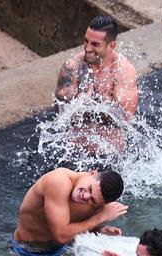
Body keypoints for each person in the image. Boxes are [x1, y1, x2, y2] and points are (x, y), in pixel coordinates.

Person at [54, 15, 138, 154]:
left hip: (110, 152)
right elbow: (60, 112)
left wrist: (86, 105)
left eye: (95, 44)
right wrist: (96, 107)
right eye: (86, 41)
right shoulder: (73, 66)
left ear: (111, 45)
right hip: (74, 149)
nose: (87, 48)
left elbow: (125, 119)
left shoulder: (123, 71)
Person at [11, 168, 127, 256]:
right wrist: (99, 217)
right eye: (89, 189)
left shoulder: (96, 203)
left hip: (61, 250)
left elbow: (74, 225)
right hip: (26, 250)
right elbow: (60, 235)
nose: (85, 196)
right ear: (92, 173)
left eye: (92, 200)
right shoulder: (58, 182)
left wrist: (98, 229)